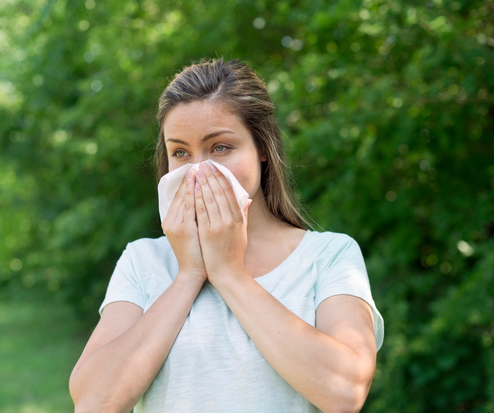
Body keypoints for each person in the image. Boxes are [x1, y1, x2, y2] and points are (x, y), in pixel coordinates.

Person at [69, 58, 384, 413]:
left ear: (263, 148)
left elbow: (344, 393)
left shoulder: (329, 255)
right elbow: (93, 402)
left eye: (220, 147)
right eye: (180, 152)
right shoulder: (143, 261)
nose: (198, 171)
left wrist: (228, 272)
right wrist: (189, 274)